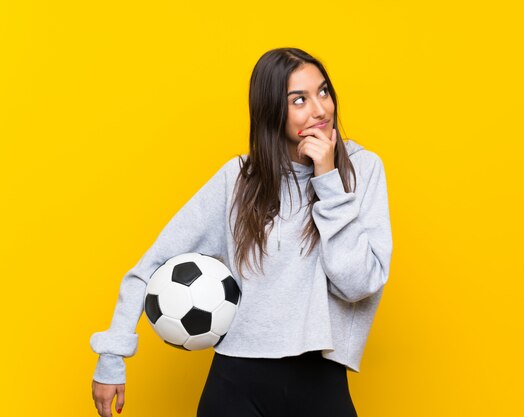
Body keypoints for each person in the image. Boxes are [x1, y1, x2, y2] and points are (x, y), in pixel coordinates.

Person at [90, 47, 393, 417]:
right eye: (299, 99)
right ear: (271, 112)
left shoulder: (362, 170)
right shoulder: (238, 179)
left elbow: (358, 282)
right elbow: (152, 264)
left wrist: (327, 179)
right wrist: (112, 354)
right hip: (236, 379)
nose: (320, 109)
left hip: (320, 376)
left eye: (324, 91)